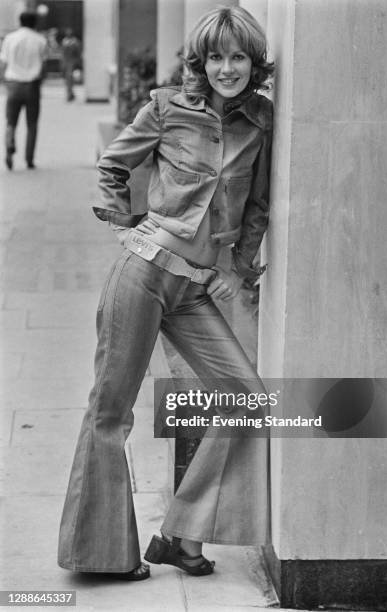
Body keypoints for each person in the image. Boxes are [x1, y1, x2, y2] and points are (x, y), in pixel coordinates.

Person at [58, 6, 274, 581]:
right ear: (200, 63)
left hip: (196, 289)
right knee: (111, 411)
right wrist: (126, 223)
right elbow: (112, 167)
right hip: (145, 272)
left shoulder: (259, 121)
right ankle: (98, 555)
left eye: (238, 56)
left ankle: (181, 534)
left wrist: (239, 264)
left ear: (254, 62)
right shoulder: (166, 107)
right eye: (216, 57)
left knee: (248, 401)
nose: (227, 67)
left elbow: (257, 205)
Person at [0, 11, 47, 170]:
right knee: (32, 124)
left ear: (19, 22)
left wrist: (5, 81)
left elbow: (3, 63)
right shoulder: (40, 40)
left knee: (10, 122)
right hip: (32, 86)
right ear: (35, 23)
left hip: (13, 84)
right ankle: (29, 159)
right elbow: (44, 67)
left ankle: (8, 147)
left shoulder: (9, 38)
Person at [60, 28, 81, 102]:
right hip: (66, 61)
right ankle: (70, 93)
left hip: (72, 62)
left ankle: (70, 94)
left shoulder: (75, 42)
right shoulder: (64, 41)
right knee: (68, 79)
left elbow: (78, 53)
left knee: (70, 79)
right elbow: (62, 53)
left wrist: (78, 63)